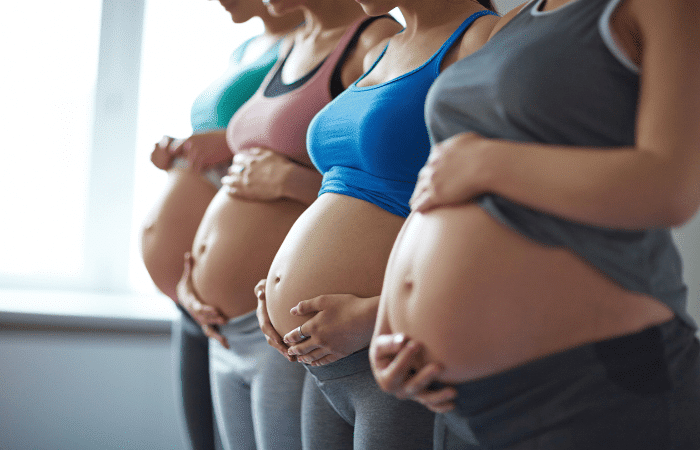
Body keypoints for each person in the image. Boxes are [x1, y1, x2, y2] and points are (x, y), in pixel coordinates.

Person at [369, 0, 700, 448]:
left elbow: (671, 188)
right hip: (458, 400)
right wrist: (387, 326)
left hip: (592, 387)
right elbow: (438, 185)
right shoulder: (510, 23)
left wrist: (488, 163)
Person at [253, 0, 499, 448]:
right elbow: (338, 194)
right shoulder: (379, 51)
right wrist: (274, 290)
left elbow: (497, 220)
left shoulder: (482, 39)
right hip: (322, 362)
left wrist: (374, 316)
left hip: (394, 351)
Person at [174, 0, 402, 448]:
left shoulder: (375, 38)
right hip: (231, 323)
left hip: (296, 330)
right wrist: (193, 283)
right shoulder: (291, 45)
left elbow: (377, 176)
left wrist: (291, 180)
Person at [139, 1, 303, 448]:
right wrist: (180, 149)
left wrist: (227, 143)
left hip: (251, 303)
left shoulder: (315, 44)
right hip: (194, 292)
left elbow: (285, 143)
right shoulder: (246, 48)